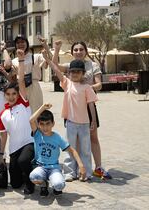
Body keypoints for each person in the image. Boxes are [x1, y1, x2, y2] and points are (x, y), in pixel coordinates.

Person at [52, 41, 111, 179]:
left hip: (88, 108)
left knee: (91, 139)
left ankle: (97, 167)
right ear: (72, 52)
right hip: (72, 111)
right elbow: (55, 66)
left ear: (86, 51)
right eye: (76, 49)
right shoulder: (70, 66)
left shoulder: (93, 65)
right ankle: (74, 170)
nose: (78, 51)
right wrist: (56, 49)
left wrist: (86, 87)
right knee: (72, 142)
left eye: (81, 49)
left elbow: (99, 85)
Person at [43, 50, 97, 181]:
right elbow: (56, 70)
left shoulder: (87, 87)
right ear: (69, 73)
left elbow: (91, 105)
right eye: (72, 71)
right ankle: (70, 172)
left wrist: (93, 121)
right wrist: (48, 60)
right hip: (71, 123)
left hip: (84, 123)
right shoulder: (67, 83)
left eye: (78, 72)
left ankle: (86, 172)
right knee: (70, 148)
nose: (75, 74)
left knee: (85, 149)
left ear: (83, 73)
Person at [0, 49, 35, 195]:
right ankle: (25, 176)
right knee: (15, 184)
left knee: (23, 161)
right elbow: (3, 136)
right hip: (14, 150)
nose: (11, 97)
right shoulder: (3, 114)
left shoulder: (24, 104)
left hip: (29, 143)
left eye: (14, 94)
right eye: (8, 94)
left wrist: (20, 61)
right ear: (5, 96)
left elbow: (20, 81)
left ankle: (32, 182)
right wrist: (1, 156)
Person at [29, 103, 86, 197]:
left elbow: (72, 151)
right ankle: (44, 184)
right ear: (38, 125)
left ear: (53, 124)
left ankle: (56, 186)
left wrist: (81, 165)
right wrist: (42, 107)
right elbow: (31, 120)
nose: (45, 127)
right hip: (40, 166)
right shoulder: (37, 134)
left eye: (48, 124)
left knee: (59, 185)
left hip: (54, 168)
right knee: (34, 177)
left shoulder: (57, 137)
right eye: (42, 124)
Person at [11, 35, 49, 113]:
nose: (20, 44)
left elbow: (49, 61)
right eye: (18, 43)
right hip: (21, 89)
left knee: (36, 113)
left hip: (34, 88)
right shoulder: (14, 61)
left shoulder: (36, 57)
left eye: (22, 42)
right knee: (22, 113)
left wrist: (45, 45)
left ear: (27, 43)